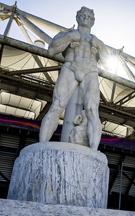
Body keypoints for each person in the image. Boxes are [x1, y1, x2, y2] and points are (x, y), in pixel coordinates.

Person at [39, 7, 109, 150]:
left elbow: (108, 62)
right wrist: (69, 38)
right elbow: (51, 49)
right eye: (83, 15)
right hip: (71, 67)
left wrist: (99, 49)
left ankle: (94, 150)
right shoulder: (67, 34)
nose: (85, 18)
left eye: (89, 16)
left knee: (92, 110)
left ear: (93, 21)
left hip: (90, 71)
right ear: (77, 18)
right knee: (57, 105)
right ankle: (42, 145)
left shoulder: (97, 41)